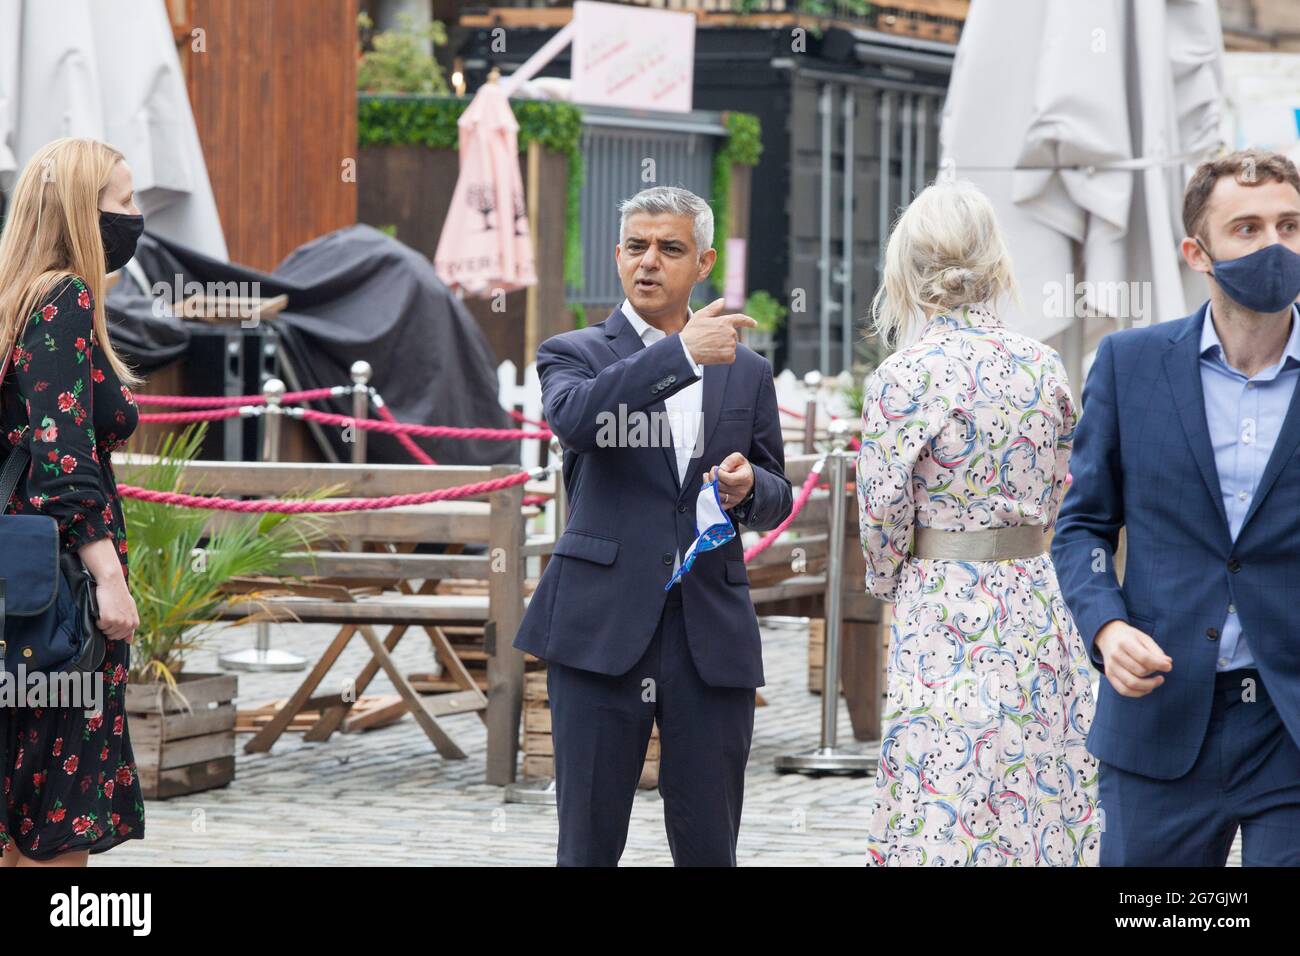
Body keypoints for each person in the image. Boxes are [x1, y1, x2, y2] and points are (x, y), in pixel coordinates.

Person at [513, 185, 793, 866]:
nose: (648, 262)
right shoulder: (571, 352)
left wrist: (751, 486)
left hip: (708, 634)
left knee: (709, 846)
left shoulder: (748, 371)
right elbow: (580, 421)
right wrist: (682, 355)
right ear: (617, 256)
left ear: (702, 264)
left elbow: (778, 494)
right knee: (587, 843)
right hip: (601, 628)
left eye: (670, 249)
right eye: (636, 247)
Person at [1052, 148, 1300, 866]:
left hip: (1289, 725)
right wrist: (1105, 627)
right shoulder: (1130, 364)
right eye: (1247, 228)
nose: (1274, 246)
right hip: (1161, 716)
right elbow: (1085, 526)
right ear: (1199, 252)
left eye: (1290, 225)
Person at [856, 179, 1100, 866]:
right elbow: (1062, 487)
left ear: (908, 265)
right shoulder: (1044, 365)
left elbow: (882, 512)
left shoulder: (905, 376)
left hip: (942, 596)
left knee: (947, 785)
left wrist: (886, 579)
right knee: (1037, 778)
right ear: (996, 261)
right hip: (1032, 589)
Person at [0, 137, 145, 866]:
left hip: (15, 592)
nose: (137, 215)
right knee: (51, 822)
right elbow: (63, 457)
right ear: (82, 215)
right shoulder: (63, 298)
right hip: (55, 598)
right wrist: (110, 579)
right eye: (124, 201)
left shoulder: (13, 300)